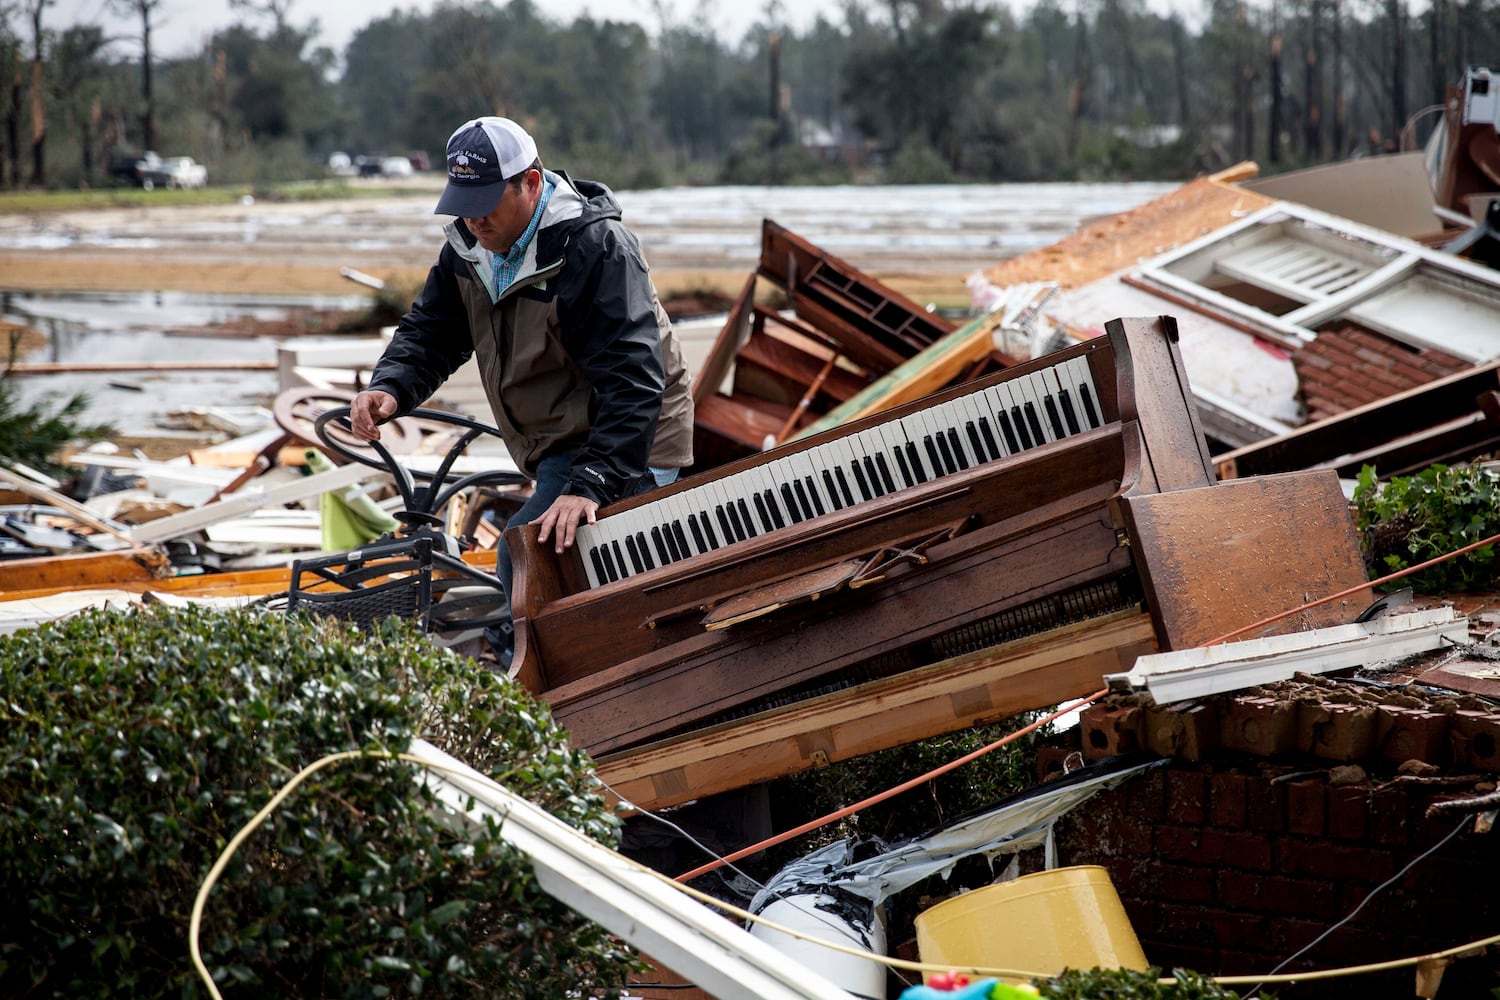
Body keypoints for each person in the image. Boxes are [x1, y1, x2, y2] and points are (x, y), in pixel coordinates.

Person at [348, 115, 694, 666]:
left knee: (532, 552)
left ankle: (565, 689)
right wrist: (390, 388)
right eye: (463, 199)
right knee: (539, 554)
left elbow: (634, 380)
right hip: (562, 433)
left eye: (486, 199)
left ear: (530, 183)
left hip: (633, 434)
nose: (473, 216)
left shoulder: (595, 247)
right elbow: (432, 330)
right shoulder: (469, 246)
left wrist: (593, 484)